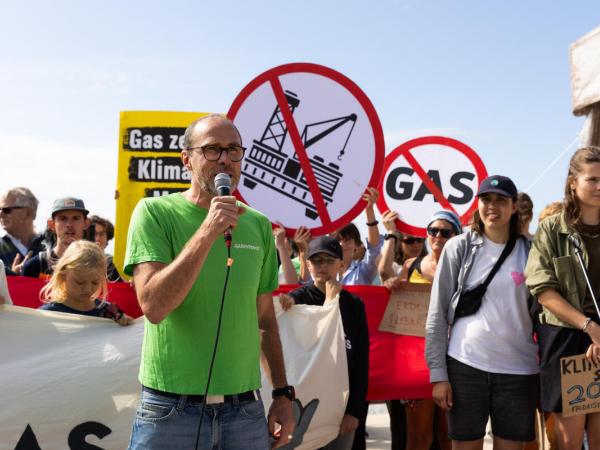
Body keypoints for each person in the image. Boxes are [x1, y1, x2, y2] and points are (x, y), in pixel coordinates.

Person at [124, 114, 294, 449]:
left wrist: (282, 394)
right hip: (171, 411)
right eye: (212, 150)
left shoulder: (258, 225)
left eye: (233, 150)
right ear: (187, 159)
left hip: (244, 411)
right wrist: (207, 231)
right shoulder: (154, 213)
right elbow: (154, 306)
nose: (225, 160)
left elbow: (265, 320)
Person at [426, 175, 539, 450]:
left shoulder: (533, 251)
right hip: (465, 365)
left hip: (519, 370)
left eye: (501, 200)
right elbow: (437, 314)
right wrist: (438, 375)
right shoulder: (459, 247)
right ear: (477, 204)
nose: (493, 206)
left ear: (514, 207)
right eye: (486, 199)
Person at [525, 147, 600, 450]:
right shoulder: (552, 229)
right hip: (569, 338)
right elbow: (543, 290)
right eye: (592, 179)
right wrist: (590, 328)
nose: (599, 186)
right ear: (573, 182)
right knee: (569, 441)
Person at [281, 236, 369, 450]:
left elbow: (360, 362)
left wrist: (354, 411)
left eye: (329, 261)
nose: (323, 266)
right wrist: (286, 305)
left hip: (339, 409)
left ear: (341, 264)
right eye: (317, 260)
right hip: (302, 405)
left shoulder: (354, 305)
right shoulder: (295, 300)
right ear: (307, 264)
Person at [389, 210, 461, 450]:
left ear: (457, 236)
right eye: (433, 230)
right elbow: (393, 297)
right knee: (418, 438)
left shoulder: (466, 267)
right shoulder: (411, 265)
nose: (437, 236)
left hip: (455, 358)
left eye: (445, 231)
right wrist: (391, 285)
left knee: (448, 434)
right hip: (417, 361)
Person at [38, 240, 132, 325]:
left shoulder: (111, 313)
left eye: (95, 282)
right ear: (63, 275)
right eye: (80, 282)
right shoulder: (48, 315)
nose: (88, 289)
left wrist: (124, 323)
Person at [23, 197, 90, 279]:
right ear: (51, 224)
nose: (69, 224)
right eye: (63, 219)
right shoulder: (35, 266)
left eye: (76, 218)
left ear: (86, 223)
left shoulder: (96, 265)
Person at [0, 187, 46, 275]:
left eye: (6, 210)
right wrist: (12, 276)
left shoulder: (50, 246)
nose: (1, 214)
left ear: (28, 213)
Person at [87, 215, 122, 281]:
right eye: (94, 234)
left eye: (102, 234)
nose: (98, 238)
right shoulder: (78, 261)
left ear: (107, 238)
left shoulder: (112, 263)